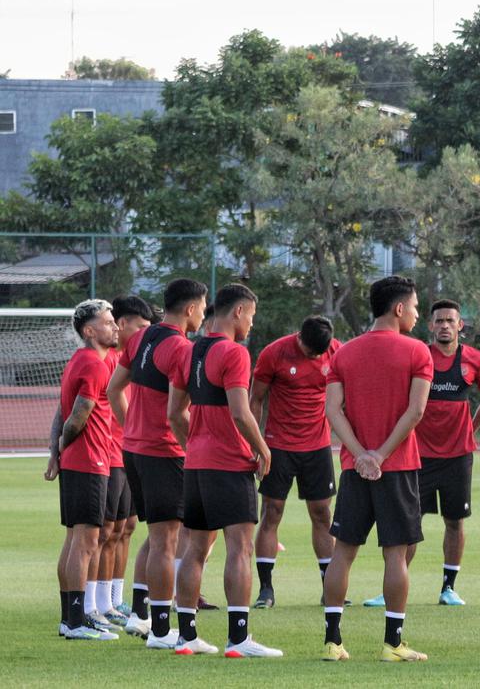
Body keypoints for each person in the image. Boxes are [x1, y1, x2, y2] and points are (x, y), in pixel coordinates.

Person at [321, 276, 434, 662]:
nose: (418, 315)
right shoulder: (418, 352)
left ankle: (333, 642)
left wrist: (361, 455)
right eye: (416, 307)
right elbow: (415, 411)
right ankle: (393, 643)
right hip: (397, 467)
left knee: (343, 553)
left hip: (355, 469)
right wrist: (381, 456)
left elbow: (332, 410)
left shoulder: (343, 354)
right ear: (398, 308)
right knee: (396, 555)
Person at [166, 283, 280, 657]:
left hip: (196, 464)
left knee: (194, 550)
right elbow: (240, 411)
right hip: (229, 465)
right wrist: (262, 449)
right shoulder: (235, 353)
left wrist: (196, 445)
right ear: (239, 312)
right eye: (252, 316)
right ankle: (239, 637)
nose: (251, 324)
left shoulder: (190, 350)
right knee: (240, 548)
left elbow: (173, 413)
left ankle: (186, 636)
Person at [107, 278, 208, 645]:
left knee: (156, 538)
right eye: (202, 307)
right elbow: (176, 414)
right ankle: (163, 630)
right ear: (191, 308)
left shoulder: (140, 339)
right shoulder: (181, 348)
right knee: (168, 541)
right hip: (164, 452)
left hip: (134, 450)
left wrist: (131, 427)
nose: (202, 314)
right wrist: (193, 449)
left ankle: (142, 616)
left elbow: (113, 389)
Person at [408, 299, 480, 606]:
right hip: (418, 454)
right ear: (430, 325)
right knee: (409, 520)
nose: (445, 325)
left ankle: (448, 587)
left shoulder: (474, 359)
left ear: (460, 326)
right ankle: (394, 584)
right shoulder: (418, 356)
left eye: (451, 320)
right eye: (439, 321)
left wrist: (472, 427)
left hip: (458, 455)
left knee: (455, 521)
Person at [250, 315, 342, 609]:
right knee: (272, 513)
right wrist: (256, 444)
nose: (315, 357)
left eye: (319, 353)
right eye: (310, 351)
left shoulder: (336, 351)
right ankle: (266, 589)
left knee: (322, 514)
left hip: (317, 447)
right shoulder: (274, 352)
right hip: (279, 445)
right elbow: (256, 398)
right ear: (298, 336)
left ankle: (330, 587)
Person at [48, 299, 121, 640]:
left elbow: (61, 413)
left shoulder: (78, 360)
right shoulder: (94, 364)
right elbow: (77, 416)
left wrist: (57, 452)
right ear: (90, 331)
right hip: (90, 461)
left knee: (74, 540)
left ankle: (71, 618)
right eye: (108, 323)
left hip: (79, 461)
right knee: (86, 542)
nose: (115, 327)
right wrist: (64, 446)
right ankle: (76, 621)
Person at [103, 296, 155, 622]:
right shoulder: (109, 360)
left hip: (129, 453)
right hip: (111, 453)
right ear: (123, 325)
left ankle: (116, 598)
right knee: (106, 531)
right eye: (142, 327)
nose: (146, 334)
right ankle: (98, 602)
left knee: (128, 527)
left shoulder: (138, 357)